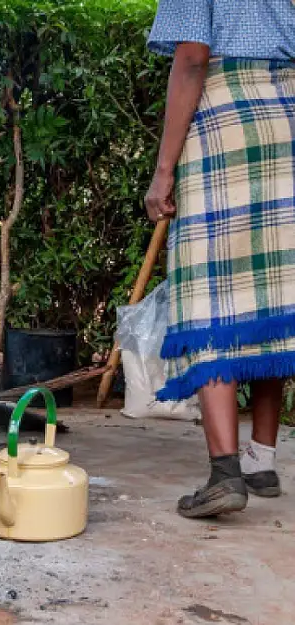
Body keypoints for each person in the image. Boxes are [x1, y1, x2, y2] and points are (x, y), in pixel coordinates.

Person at [145, 1, 295, 519]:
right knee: (274, 293)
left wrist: (164, 171)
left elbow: (191, 59)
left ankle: (225, 474)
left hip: (226, 121)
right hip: (289, 123)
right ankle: (263, 457)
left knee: (210, 297)